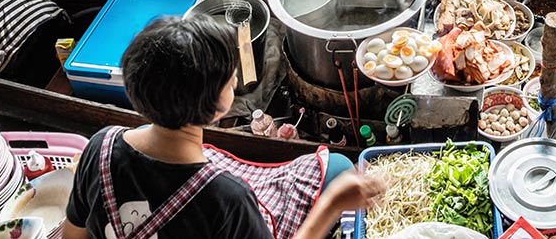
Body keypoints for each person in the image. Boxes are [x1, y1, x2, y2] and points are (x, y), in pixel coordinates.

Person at [62, 17, 385, 239]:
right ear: (218, 106)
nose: (235, 78)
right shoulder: (225, 196)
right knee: (339, 168)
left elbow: (73, 233)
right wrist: (333, 205)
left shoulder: (101, 144)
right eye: (230, 78)